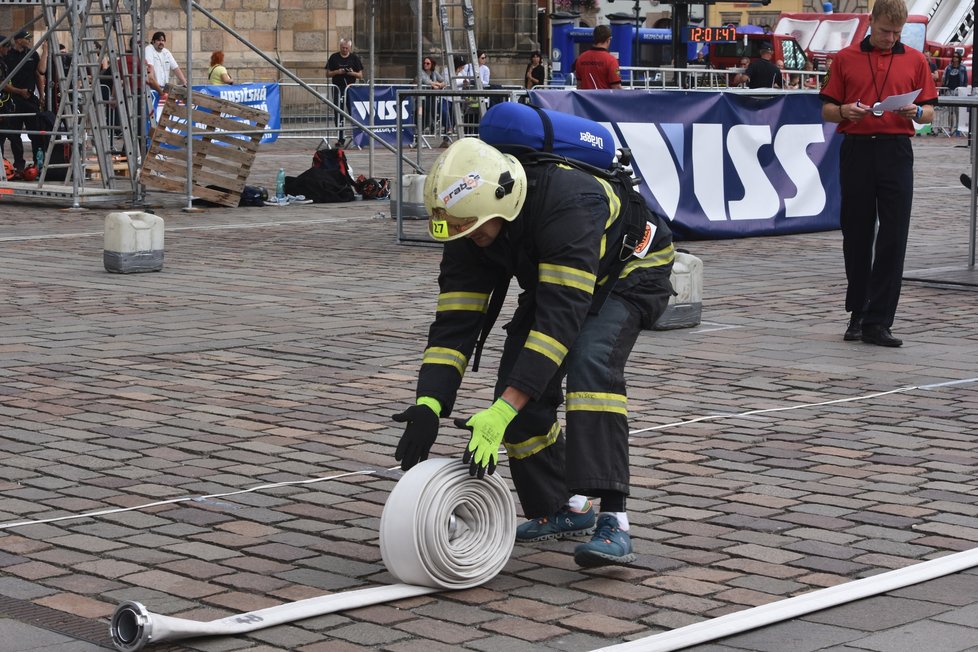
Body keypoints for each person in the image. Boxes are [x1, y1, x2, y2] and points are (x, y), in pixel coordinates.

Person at [391, 137, 676, 567]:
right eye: (458, 230)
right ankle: (561, 507)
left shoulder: (568, 203)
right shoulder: (467, 226)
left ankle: (615, 519)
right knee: (516, 388)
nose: (469, 239)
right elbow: (455, 324)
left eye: (474, 229)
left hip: (630, 268)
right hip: (559, 276)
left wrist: (504, 409)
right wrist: (430, 402)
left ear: (499, 208)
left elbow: (560, 324)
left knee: (589, 361)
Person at [820, 0, 938, 348]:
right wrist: (844, 110)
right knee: (856, 232)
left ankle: (880, 320)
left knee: (894, 233)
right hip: (857, 149)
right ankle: (857, 312)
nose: (890, 38)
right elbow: (826, 109)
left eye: (897, 33)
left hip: (895, 149)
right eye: (885, 30)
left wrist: (916, 110)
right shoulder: (844, 58)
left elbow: (930, 112)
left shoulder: (916, 60)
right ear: (871, 22)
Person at [4, 30, 47, 176]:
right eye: (26, 39)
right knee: (14, 134)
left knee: (35, 132)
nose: (29, 41)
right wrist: (18, 91)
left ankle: (37, 162)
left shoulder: (32, 54)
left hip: (29, 98)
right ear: (18, 40)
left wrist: (41, 95)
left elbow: (39, 74)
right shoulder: (7, 56)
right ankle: (18, 164)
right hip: (13, 99)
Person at [325, 38, 364, 148]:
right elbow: (327, 74)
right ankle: (340, 138)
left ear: (350, 48)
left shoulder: (354, 58)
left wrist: (351, 73)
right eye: (343, 48)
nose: (345, 50)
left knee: (353, 113)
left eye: (347, 48)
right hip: (338, 88)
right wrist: (338, 72)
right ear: (340, 47)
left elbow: (360, 75)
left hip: (351, 89)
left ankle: (358, 137)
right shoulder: (334, 57)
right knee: (338, 113)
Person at [573, 25, 621, 90]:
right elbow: (616, 87)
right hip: (603, 99)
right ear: (608, 40)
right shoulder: (612, 60)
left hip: (584, 99)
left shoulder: (580, 58)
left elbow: (579, 86)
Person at [943, 52, 968, 136]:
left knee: (958, 111)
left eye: (956, 57)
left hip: (958, 91)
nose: (955, 58)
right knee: (950, 111)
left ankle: (958, 128)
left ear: (959, 58)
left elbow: (965, 80)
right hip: (949, 90)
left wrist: (963, 89)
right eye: (953, 57)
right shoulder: (948, 68)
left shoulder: (963, 68)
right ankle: (950, 127)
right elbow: (945, 78)